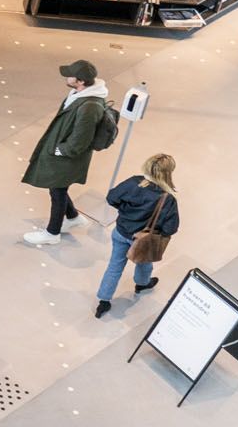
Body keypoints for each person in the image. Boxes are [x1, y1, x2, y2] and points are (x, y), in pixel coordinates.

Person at [21, 59, 111, 245]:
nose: (66, 77)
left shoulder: (89, 106)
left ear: (80, 81)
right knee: (58, 187)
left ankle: (52, 233)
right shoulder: (78, 95)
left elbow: (80, 140)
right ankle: (73, 217)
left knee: (58, 191)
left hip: (67, 157)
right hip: (63, 153)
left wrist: (59, 150)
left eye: (70, 75)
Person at [96, 154, 180, 318]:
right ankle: (142, 284)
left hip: (120, 232)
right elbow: (171, 227)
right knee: (144, 263)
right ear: (168, 173)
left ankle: (103, 301)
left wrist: (125, 212)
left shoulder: (133, 182)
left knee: (114, 266)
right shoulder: (167, 198)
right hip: (144, 240)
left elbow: (111, 197)